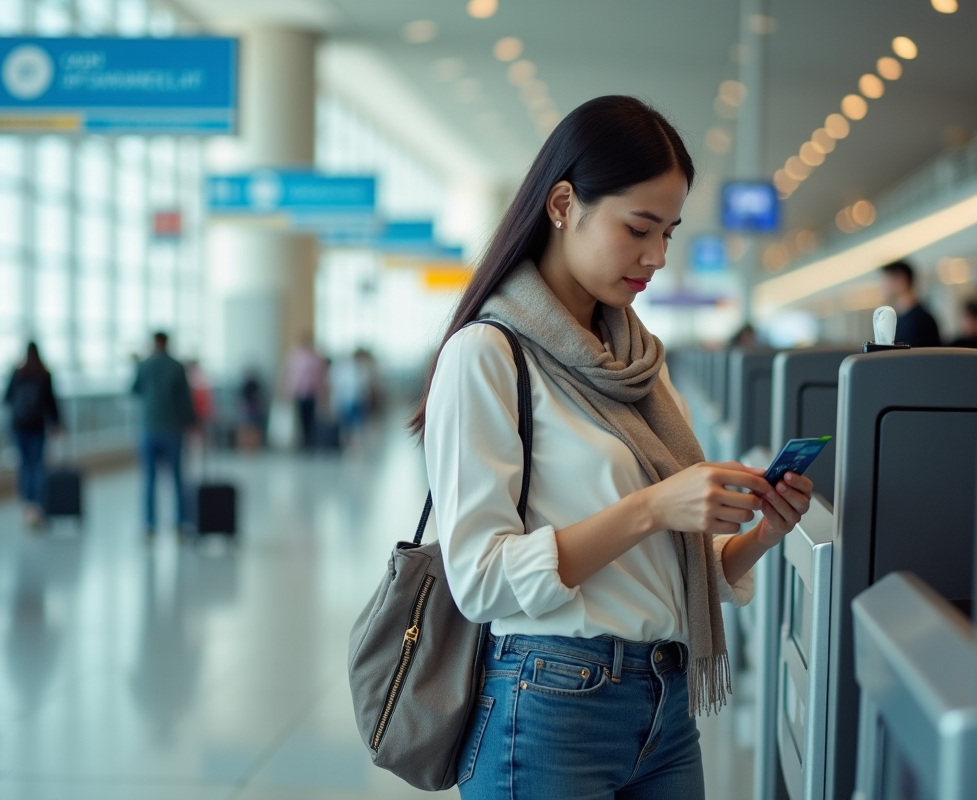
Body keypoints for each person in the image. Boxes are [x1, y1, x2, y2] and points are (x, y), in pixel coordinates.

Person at [413, 96, 816, 797]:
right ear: (563, 203)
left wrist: (760, 535)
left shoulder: (637, 364)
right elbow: (478, 578)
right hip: (548, 706)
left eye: (669, 233)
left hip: (664, 704)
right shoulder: (487, 354)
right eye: (639, 228)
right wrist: (654, 507)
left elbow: (667, 573)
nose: (656, 257)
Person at [132, 332, 196, 538]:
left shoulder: (144, 365)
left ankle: (149, 525)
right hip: (173, 429)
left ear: (153, 343)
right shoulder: (177, 367)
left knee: (149, 479)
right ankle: (180, 524)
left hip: (149, 428)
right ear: (167, 343)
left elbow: (134, 390)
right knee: (177, 478)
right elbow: (185, 400)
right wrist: (192, 423)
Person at [5, 342, 61, 527]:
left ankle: (26, 505)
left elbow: (7, 398)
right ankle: (37, 505)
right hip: (37, 426)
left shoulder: (18, 372)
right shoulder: (44, 374)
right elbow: (51, 401)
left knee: (24, 465)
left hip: (19, 426)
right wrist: (56, 423)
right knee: (37, 466)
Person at [880, 260, 942, 347]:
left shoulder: (922, 320)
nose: (882, 287)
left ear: (901, 280)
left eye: (885, 282)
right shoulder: (897, 319)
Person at [284, 333, 326, 450]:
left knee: (311, 419)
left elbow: (320, 377)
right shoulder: (295, 356)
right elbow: (289, 374)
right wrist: (288, 390)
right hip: (299, 392)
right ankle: (302, 442)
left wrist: (322, 393)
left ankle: (310, 441)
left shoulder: (316, 357)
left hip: (312, 393)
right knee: (300, 419)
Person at [328, 351, 370, 446]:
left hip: (356, 402)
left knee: (355, 425)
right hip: (348, 402)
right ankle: (349, 444)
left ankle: (354, 444)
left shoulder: (360, 370)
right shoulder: (346, 370)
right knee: (348, 425)